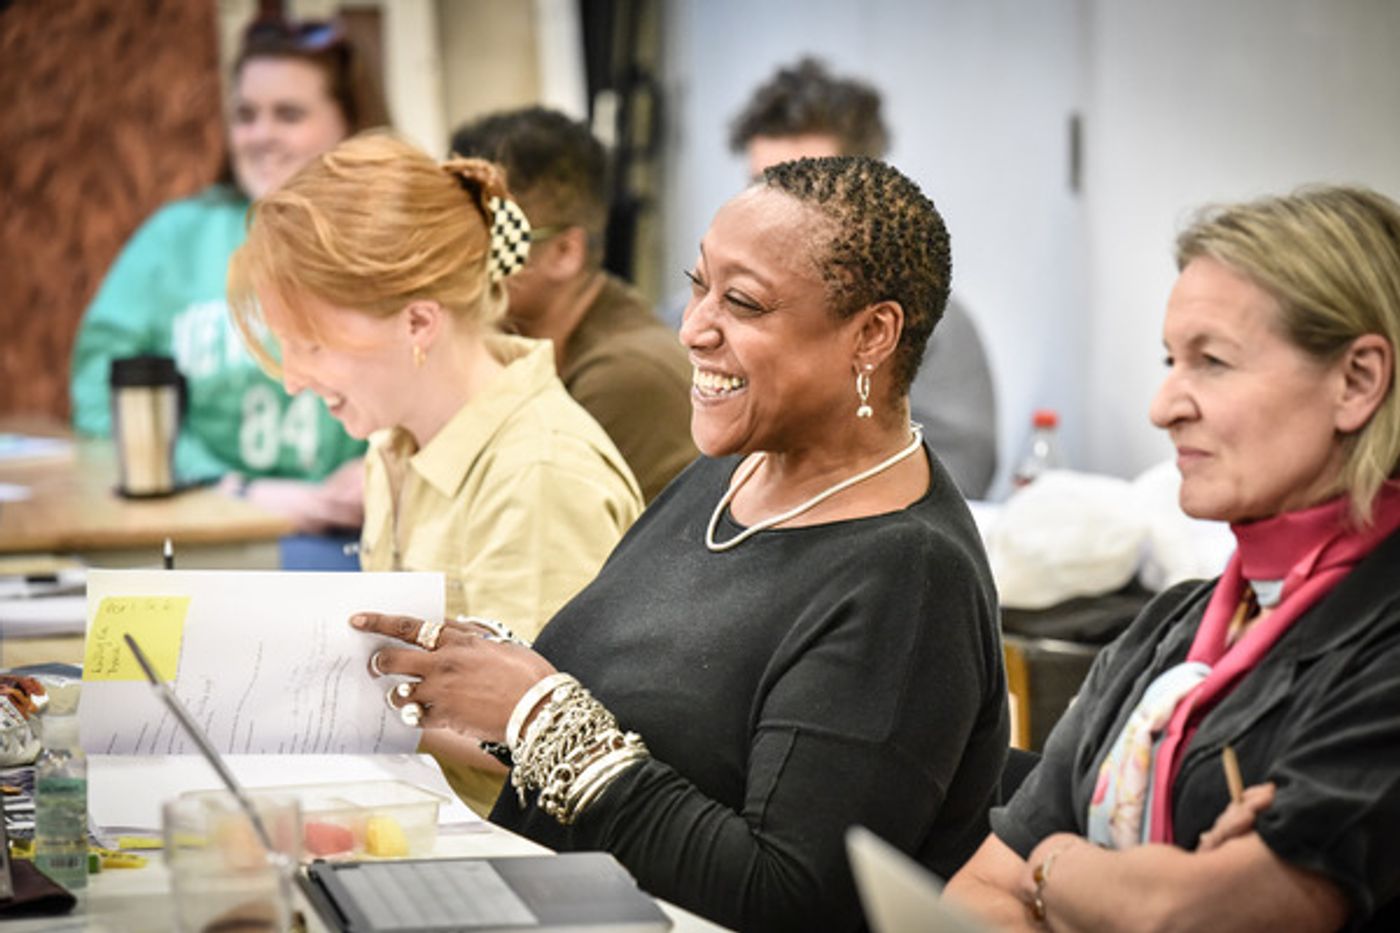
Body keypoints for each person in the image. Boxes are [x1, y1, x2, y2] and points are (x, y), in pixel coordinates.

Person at [354, 156, 1008, 932]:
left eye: (743, 302)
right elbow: (648, 743)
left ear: (871, 333)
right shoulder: (730, 473)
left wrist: (540, 717)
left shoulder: (907, 577)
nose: (693, 329)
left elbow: (789, 896)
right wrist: (473, 692)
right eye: (698, 285)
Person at [946, 185, 1400, 931]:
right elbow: (976, 891)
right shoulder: (1173, 625)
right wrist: (1107, 884)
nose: (1163, 405)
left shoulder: (1381, 640)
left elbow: (1182, 914)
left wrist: (1055, 862)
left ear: (1356, 382)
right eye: (1170, 360)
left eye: (1212, 361)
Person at [227, 132, 644, 814]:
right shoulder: (395, 438)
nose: (295, 378)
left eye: (312, 344)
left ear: (419, 321)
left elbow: (533, 741)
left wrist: (306, 697)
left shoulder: (539, 474)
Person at [70, 16, 385, 535]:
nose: (262, 135)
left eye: (288, 114)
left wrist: (388, 464)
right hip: (208, 525)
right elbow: (100, 399)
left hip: (358, 533)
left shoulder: (391, 231)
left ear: (349, 123)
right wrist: (231, 486)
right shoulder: (174, 238)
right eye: (245, 115)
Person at [724, 55, 999, 499]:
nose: (771, 207)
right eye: (760, 184)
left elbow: (957, 480)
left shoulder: (931, 326)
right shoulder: (696, 316)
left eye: (803, 186)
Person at [449, 106, 697, 502]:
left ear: (565, 252)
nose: (456, 260)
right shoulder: (537, 348)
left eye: (488, 241)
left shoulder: (622, 378)